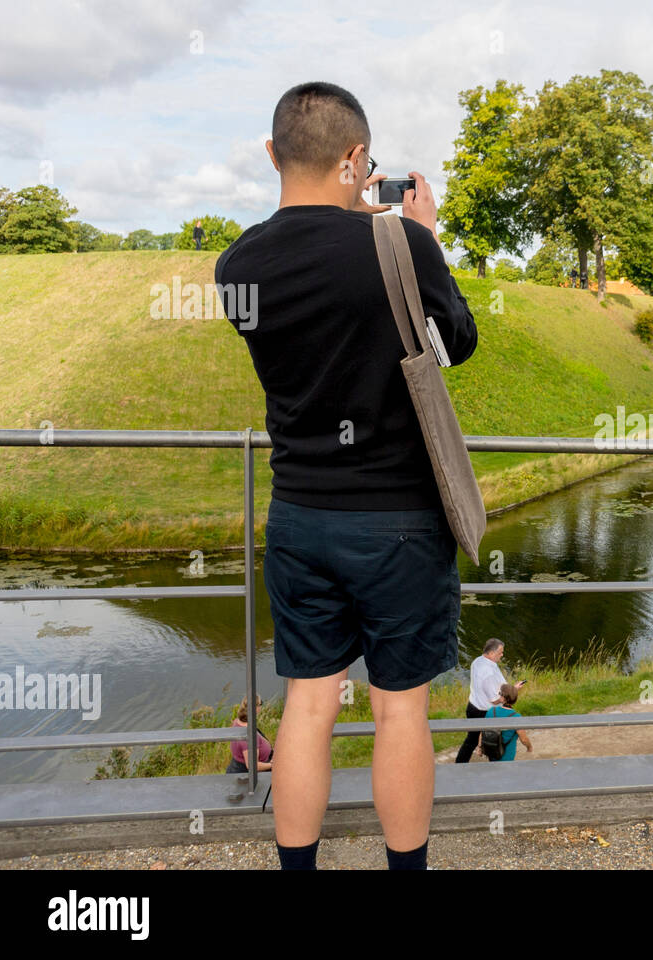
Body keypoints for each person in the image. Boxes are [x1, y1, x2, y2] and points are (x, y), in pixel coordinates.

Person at [214, 81, 477, 871]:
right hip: (397, 519)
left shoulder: (238, 266)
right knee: (402, 714)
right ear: (358, 160)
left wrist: (357, 219)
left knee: (309, 705)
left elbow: (316, 286)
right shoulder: (404, 245)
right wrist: (415, 234)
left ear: (271, 155)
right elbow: (454, 343)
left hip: (299, 516)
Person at [456, 637, 509, 763]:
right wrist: (511, 693)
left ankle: (460, 763)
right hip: (483, 711)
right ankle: (493, 764)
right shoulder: (488, 673)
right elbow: (495, 700)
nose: (502, 655)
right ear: (491, 653)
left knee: (472, 740)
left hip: (472, 706)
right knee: (492, 738)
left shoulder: (478, 661)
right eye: (500, 652)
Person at [479, 683, 531, 762]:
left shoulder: (491, 711)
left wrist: (480, 747)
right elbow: (523, 739)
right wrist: (529, 747)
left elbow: (483, 731)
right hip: (507, 756)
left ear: (502, 698)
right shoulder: (516, 717)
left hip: (491, 750)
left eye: (500, 693)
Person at [226, 695, 274, 774]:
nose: (261, 706)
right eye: (260, 703)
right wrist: (272, 765)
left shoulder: (237, 721)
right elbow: (252, 766)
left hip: (236, 766)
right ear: (256, 708)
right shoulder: (248, 736)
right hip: (250, 774)